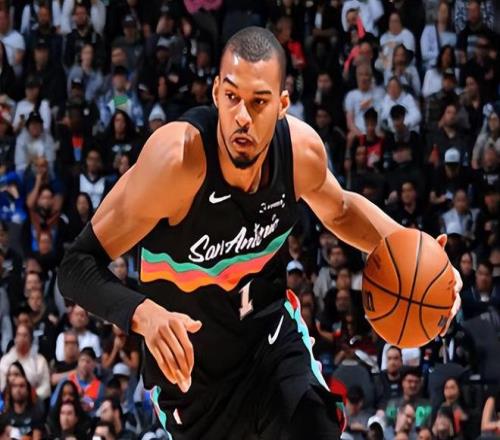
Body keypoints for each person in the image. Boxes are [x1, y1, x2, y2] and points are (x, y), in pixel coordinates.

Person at [58, 27, 461, 439]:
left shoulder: (299, 154)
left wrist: (422, 255)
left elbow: (340, 210)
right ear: (216, 93)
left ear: (282, 105)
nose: (243, 117)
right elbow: (75, 266)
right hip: (193, 387)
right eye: (232, 97)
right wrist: (143, 314)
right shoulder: (176, 162)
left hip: (271, 346)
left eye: (259, 102)